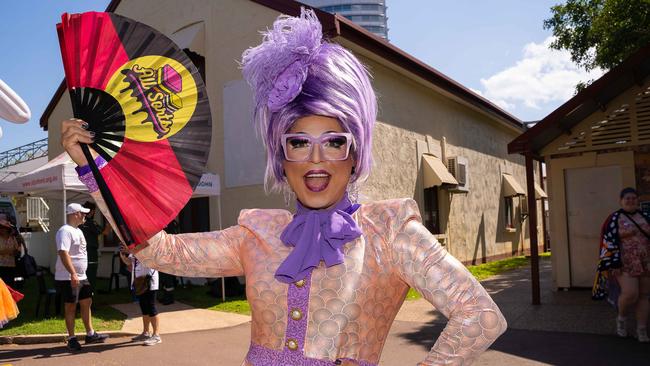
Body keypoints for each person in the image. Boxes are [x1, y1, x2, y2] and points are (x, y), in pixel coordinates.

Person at [61, 9, 506, 365]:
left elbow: (479, 315)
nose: (315, 158)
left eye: (334, 142)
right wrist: (93, 171)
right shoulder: (259, 233)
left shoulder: (390, 232)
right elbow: (159, 251)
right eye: (298, 142)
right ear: (281, 154)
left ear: (356, 153)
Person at [593, 187, 650, 343]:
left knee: (644, 296)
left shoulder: (646, 216)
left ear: (637, 200)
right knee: (631, 293)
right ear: (621, 200)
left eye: (633, 198)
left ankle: (641, 330)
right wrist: (612, 262)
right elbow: (607, 241)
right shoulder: (614, 218)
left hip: (646, 262)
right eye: (627, 198)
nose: (631, 201)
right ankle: (622, 319)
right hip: (624, 262)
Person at [55, 203, 108, 351]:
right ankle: (71, 338)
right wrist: (72, 273)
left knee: (87, 302)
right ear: (75, 214)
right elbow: (63, 253)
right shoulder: (64, 231)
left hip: (81, 276)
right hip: (68, 277)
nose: (85, 215)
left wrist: (78, 274)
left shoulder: (78, 230)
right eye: (83, 213)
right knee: (71, 306)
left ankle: (90, 334)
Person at [119, 243, 161, 345]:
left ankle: (156, 335)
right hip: (139, 282)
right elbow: (129, 262)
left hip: (149, 281)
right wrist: (122, 254)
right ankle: (146, 332)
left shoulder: (149, 246)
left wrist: (131, 251)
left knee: (151, 307)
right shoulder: (135, 248)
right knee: (144, 307)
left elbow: (146, 259)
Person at [78, 201, 108, 289]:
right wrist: (109, 222)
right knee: (90, 276)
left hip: (81, 252)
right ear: (92, 211)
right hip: (90, 253)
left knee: (82, 275)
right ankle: (88, 296)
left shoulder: (79, 222)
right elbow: (105, 232)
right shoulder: (91, 223)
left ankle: (81, 296)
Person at [0, 214, 20, 288]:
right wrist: (8, 252)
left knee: (10, 284)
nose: (1, 229)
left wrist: (14, 252)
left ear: (7, 229)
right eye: (0, 227)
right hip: (1, 265)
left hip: (11, 264)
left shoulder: (12, 238)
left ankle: (9, 298)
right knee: (2, 284)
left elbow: (17, 250)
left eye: (3, 228)